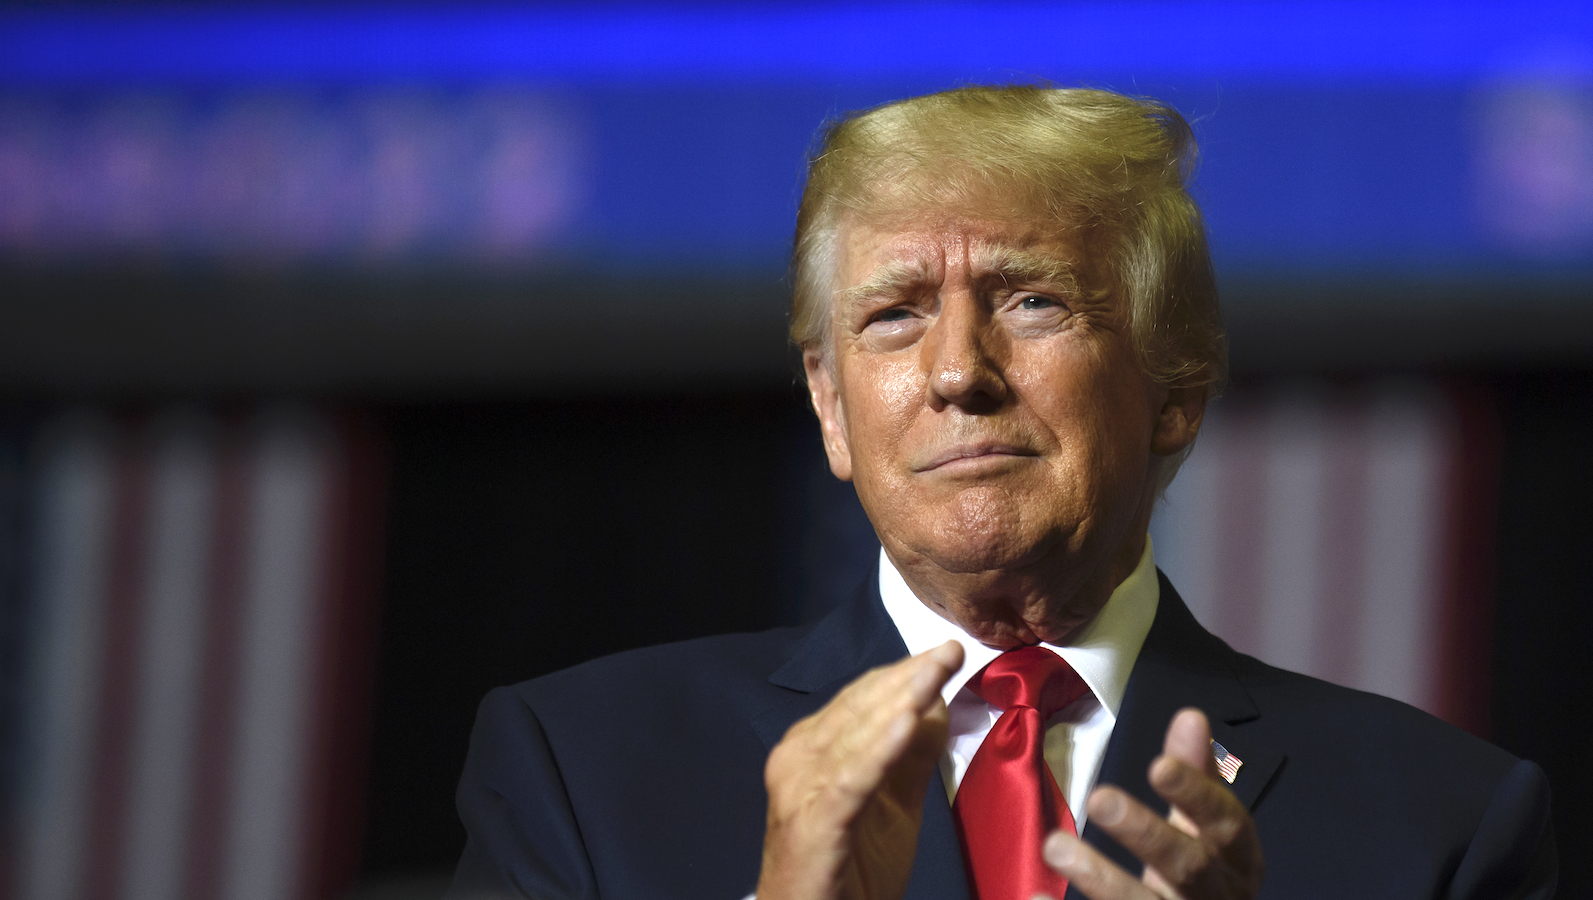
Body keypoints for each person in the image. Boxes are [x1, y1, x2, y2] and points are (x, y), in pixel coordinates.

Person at [444, 86, 1556, 900]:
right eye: (894, 314)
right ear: (830, 409)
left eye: (1032, 302)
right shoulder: (580, 770)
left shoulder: (1440, 826)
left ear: (1174, 391)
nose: (955, 370)